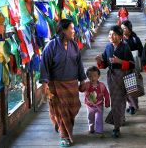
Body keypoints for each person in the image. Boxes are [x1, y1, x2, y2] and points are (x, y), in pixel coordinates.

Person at [40, 19, 87, 147]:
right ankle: (64, 136)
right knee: (62, 111)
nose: (74, 31)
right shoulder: (51, 46)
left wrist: (82, 80)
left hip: (72, 84)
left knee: (73, 108)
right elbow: (44, 64)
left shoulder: (74, 45)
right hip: (56, 85)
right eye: (71, 28)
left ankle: (60, 124)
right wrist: (45, 84)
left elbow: (79, 64)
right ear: (63, 30)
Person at [95, 25, 135, 138]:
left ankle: (116, 127)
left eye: (114, 34)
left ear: (120, 36)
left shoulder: (125, 47)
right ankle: (120, 119)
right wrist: (99, 61)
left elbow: (132, 64)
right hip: (112, 77)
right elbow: (104, 64)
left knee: (119, 100)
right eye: (109, 34)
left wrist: (120, 61)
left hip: (123, 76)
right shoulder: (108, 47)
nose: (111, 36)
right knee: (116, 100)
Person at [79, 66, 110, 137]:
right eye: (90, 76)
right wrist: (81, 84)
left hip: (99, 105)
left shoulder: (102, 85)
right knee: (90, 118)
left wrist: (107, 102)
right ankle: (91, 128)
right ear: (87, 76)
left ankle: (99, 131)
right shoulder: (86, 85)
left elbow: (106, 94)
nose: (93, 78)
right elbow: (81, 90)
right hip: (89, 106)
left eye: (95, 76)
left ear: (98, 76)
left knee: (99, 118)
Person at [121, 20, 143, 115]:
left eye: (124, 28)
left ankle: (133, 106)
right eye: (121, 28)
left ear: (129, 29)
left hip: (133, 66)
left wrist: (141, 65)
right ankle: (130, 105)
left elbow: (141, 52)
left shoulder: (135, 39)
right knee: (124, 87)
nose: (122, 30)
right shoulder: (120, 38)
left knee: (132, 86)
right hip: (122, 66)